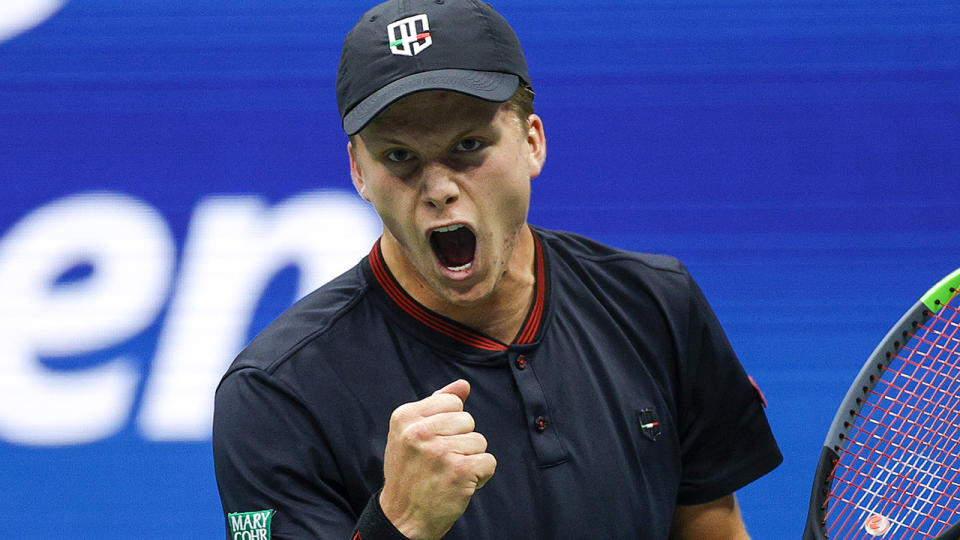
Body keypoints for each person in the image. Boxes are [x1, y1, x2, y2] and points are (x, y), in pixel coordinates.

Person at [212, 0, 783, 538]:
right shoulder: (272, 393)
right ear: (359, 172)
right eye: (399, 157)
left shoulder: (657, 304)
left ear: (531, 142)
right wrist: (401, 524)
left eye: (468, 144)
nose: (438, 188)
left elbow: (715, 529)